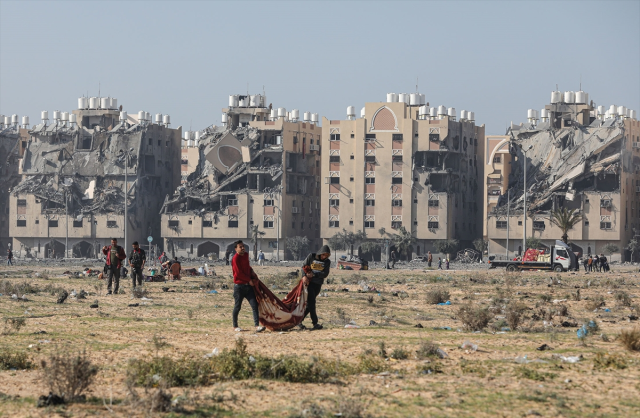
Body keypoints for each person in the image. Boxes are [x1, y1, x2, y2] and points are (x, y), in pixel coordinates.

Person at [231, 240, 264, 332]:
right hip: (239, 287)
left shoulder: (245, 255)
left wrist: (252, 273)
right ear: (236, 249)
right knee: (237, 306)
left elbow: (247, 267)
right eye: (240, 247)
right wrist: (248, 280)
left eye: (243, 246)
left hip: (248, 287)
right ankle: (235, 326)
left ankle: (257, 326)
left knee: (254, 305)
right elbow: (238, 274)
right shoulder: (235, 258)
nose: (242, 248)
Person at [298, 245, 332, 331]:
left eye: (326, 255)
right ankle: (315, 323)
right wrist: (304, 276)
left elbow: (325, 274)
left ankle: (298, 321)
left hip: (318, 284)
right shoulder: (311, 256)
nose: (324, 257)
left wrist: (315, 274)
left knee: (310, 305)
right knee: (312, 303)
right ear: (320, 253)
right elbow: (304, 266)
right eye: (323, 255)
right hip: (309, 283)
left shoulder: (327, 262)